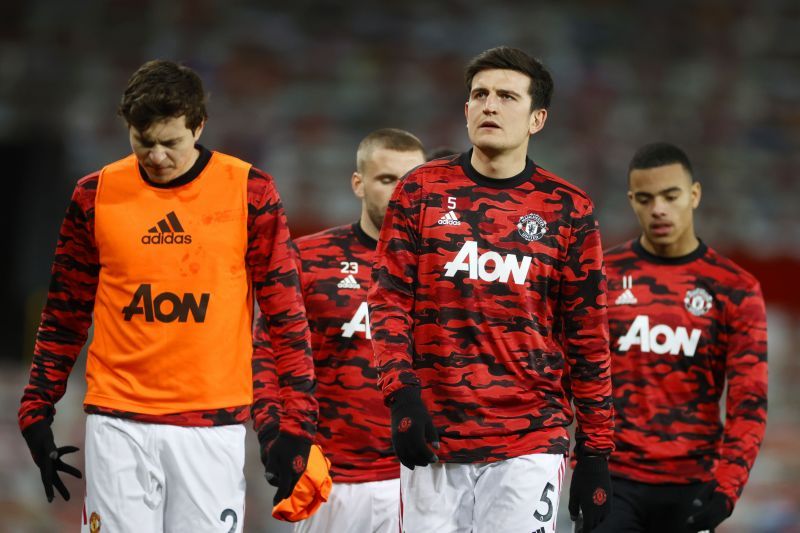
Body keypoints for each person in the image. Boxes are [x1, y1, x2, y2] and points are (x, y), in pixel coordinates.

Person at [18, 59, 317, 533]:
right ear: (128, 129)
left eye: (171, 142)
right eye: (144, 142)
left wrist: (298, 423)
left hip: (210, 425)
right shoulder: (94, 195)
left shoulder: (250, 192)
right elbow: (64, 312)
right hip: (117, 419)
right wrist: (37, 406)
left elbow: (285, 315)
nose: (156, 156)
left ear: (198, 125)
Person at [367, 46, 615, 533]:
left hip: (530, 437)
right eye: (479, 95)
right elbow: (388, 300)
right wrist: (402, 395)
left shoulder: (568, 208)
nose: (490, 105)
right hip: (435, 435)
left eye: (506, 96)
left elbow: (587, 336)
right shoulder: (420, 192)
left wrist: (596, 450)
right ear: (465, 110)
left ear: (537, 118)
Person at [255, 128, 426, 532]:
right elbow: (267, 353)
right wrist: (272, 432)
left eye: (412, 183)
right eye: (387, 180)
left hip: (426, 480)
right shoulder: (309, 260)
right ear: (358, 183)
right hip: (334, 481)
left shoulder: (448, 270)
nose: (401, 194)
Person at [597, 142, 768, 532]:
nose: (658, 208)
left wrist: (728, 489)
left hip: (693, 483)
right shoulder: (601, 277)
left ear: (693, 195)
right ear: (631, 201)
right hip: (612, 479)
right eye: (645, 198)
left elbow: (749, 401)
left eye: (670, 196)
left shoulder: (735, 289)